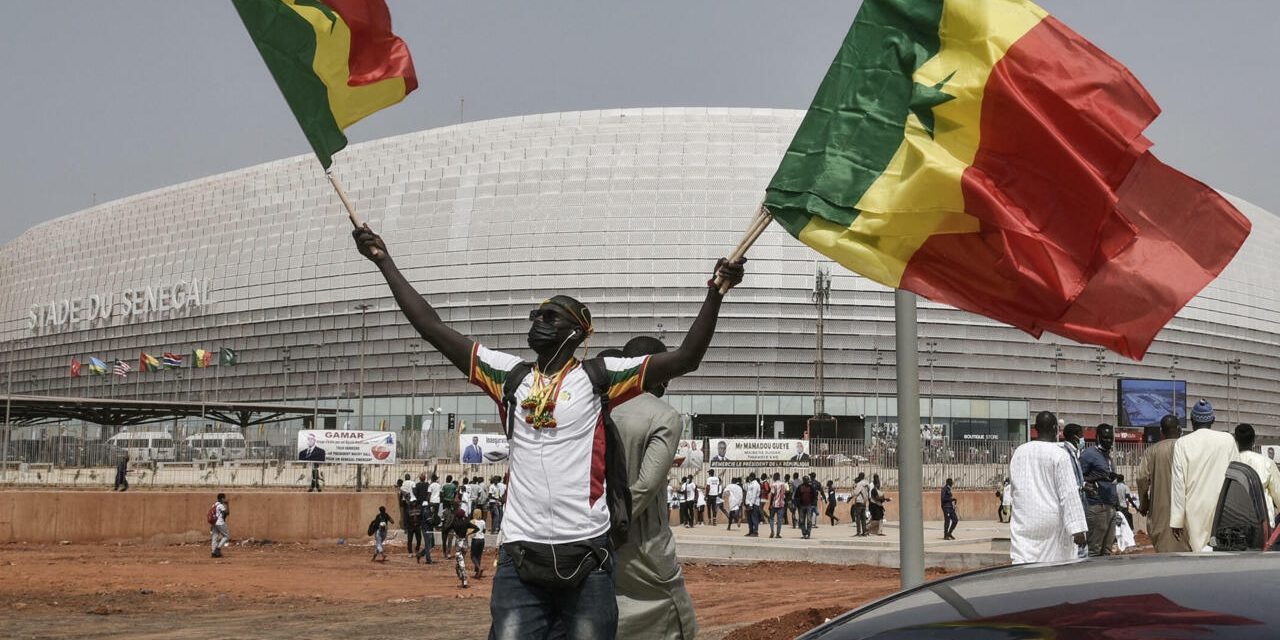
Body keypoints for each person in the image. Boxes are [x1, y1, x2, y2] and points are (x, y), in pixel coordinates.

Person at [353, 223, 744, 639]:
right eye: (536, 315)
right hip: (520, 558)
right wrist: (384, 262)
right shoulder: (508, 374)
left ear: (575, 332)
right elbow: (432, 328)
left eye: (549, 316)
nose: (538, 321)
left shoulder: (601, 377)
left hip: (588, 558)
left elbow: (686, 357)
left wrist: (715, 293)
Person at [610, 335, 698, 640]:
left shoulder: (598, 406)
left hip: (595, 546)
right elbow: (646, 486)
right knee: (675, 617)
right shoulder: (663, 415)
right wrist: (610, 525)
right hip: (643, 544)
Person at [1008, 411, 1087, 564]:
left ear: (1035, 428)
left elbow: (1014, 489)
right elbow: (1069, 493)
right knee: (1054, 569)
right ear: (1055, 429)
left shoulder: (1019, 452)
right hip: (1051, 522)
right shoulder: (1059, 454)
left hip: (1025, 521)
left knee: (1024, 566)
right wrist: (1077, 528)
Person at [1171, 400, 1240, 552]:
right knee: (1224, 552)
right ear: (1213, 420)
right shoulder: (1227, 440)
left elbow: (1178, 484)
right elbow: (1237, 477)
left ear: (1192, 420)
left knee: (1200, 557)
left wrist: (1177, 520)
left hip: (1195, 509)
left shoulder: (1182, 444)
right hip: (1224, 507)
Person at [1135, 415, 1191, 553]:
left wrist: (1144, 503)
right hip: (1187, 511)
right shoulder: (1188, 448)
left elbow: (1141, 478)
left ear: (1161, 432)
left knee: (1165, 557)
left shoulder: (1152, 451)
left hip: (1160, 513)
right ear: (1179, 429)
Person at [1079, 423, 1118, 556]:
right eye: (1105, 437)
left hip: (1110, 507)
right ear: (1097, 437)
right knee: (1095, 550)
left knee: (1107, 550)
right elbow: (1078, 478)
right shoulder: (1088, 455)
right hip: (1096, 507)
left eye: (1110, 438)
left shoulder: (1107, 456)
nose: (1108, 440)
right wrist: (1096, 480)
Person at [1234, 424, 1280, 524]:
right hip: (1263, 524)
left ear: (1236, 442)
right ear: (1254, 442)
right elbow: (1278, 494)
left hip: (1235, 524)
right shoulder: (1267, 462)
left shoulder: (1230, 463)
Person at [447, 507, 480, 589]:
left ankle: (464, 580)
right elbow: (477, 528)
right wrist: (468, 534)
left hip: (459, 543)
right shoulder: (466, 522)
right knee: (460, 561)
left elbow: (446, 529)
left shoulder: (454, 523)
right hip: (465, 543)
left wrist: (452, 533)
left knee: (461, 563)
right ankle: (461, 576)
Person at [210, 493, 230, 559]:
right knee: (226, 536)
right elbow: (227, 513)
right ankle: (218, 549)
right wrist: (227, 504)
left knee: (214, 537)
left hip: (214, 523)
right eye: (224, 498)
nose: (225, 499)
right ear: (222, 499)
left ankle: (213, 553)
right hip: (220, 522)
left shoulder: (214, 504)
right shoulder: (221, 505)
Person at [470, 509, 488, 579]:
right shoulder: (483, 521)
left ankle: (478, 568)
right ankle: (477, 572)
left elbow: (470, 531)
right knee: (479, 556)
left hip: (475, 540)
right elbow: (484, 531)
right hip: (482, 540)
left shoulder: (473, 521)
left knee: (473, 556)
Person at [768, 472, 787, 538]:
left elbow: (772, 495)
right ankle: (778, 534)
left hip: (774, 504)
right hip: (781, 504)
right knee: (779, 520)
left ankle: (772, 531)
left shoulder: (773, 485)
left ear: (775, 477)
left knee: (771, 518)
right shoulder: (783, 484)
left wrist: (770, 504)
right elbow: (785, 493)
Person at [744, 473, 762, 537]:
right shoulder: (751, 484)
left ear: (752, 477)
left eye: (750, 477)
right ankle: (750, 531)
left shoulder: (755, 484)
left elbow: (754, 495)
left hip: (754, 504)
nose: (749, 478)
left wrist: (751, 504)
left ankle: (755, 532)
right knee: (749, 519)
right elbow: (748, 494)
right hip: (749, 503)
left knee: (754, 518)